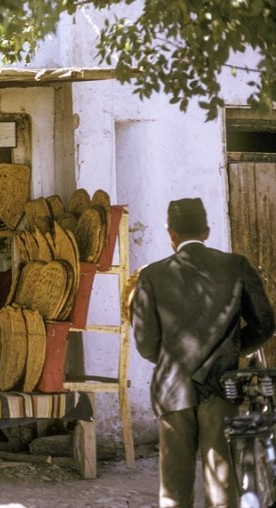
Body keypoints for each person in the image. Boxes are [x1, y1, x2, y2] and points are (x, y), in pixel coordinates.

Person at [131, 197, 275, 507]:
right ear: (207, 232)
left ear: (171, 235)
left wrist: (174, 361)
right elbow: (265, 324)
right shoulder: (236, 266)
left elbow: (145, 343)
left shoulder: (151, 276)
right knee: (221, 489)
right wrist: (234, 350)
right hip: (223, 389)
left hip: (172, 391)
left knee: (174, 490)